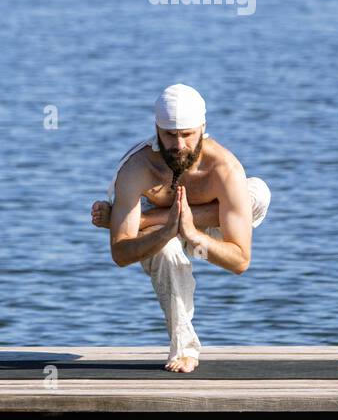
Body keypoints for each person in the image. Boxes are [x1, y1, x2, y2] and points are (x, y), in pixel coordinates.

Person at [90, 84, 271, 372]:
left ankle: (150, 219)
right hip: (159, 234)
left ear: (203, 127)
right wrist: (166, 232)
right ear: (157, 129)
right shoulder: (136, 168)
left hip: (201, 230)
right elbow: (120, 254)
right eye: (170, 135)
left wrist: (191, 232)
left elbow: (240, 261)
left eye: (187, 134)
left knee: (258, 192)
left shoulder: (224, 168)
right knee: (168, 251)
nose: (179, 145)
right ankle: (185, 350)